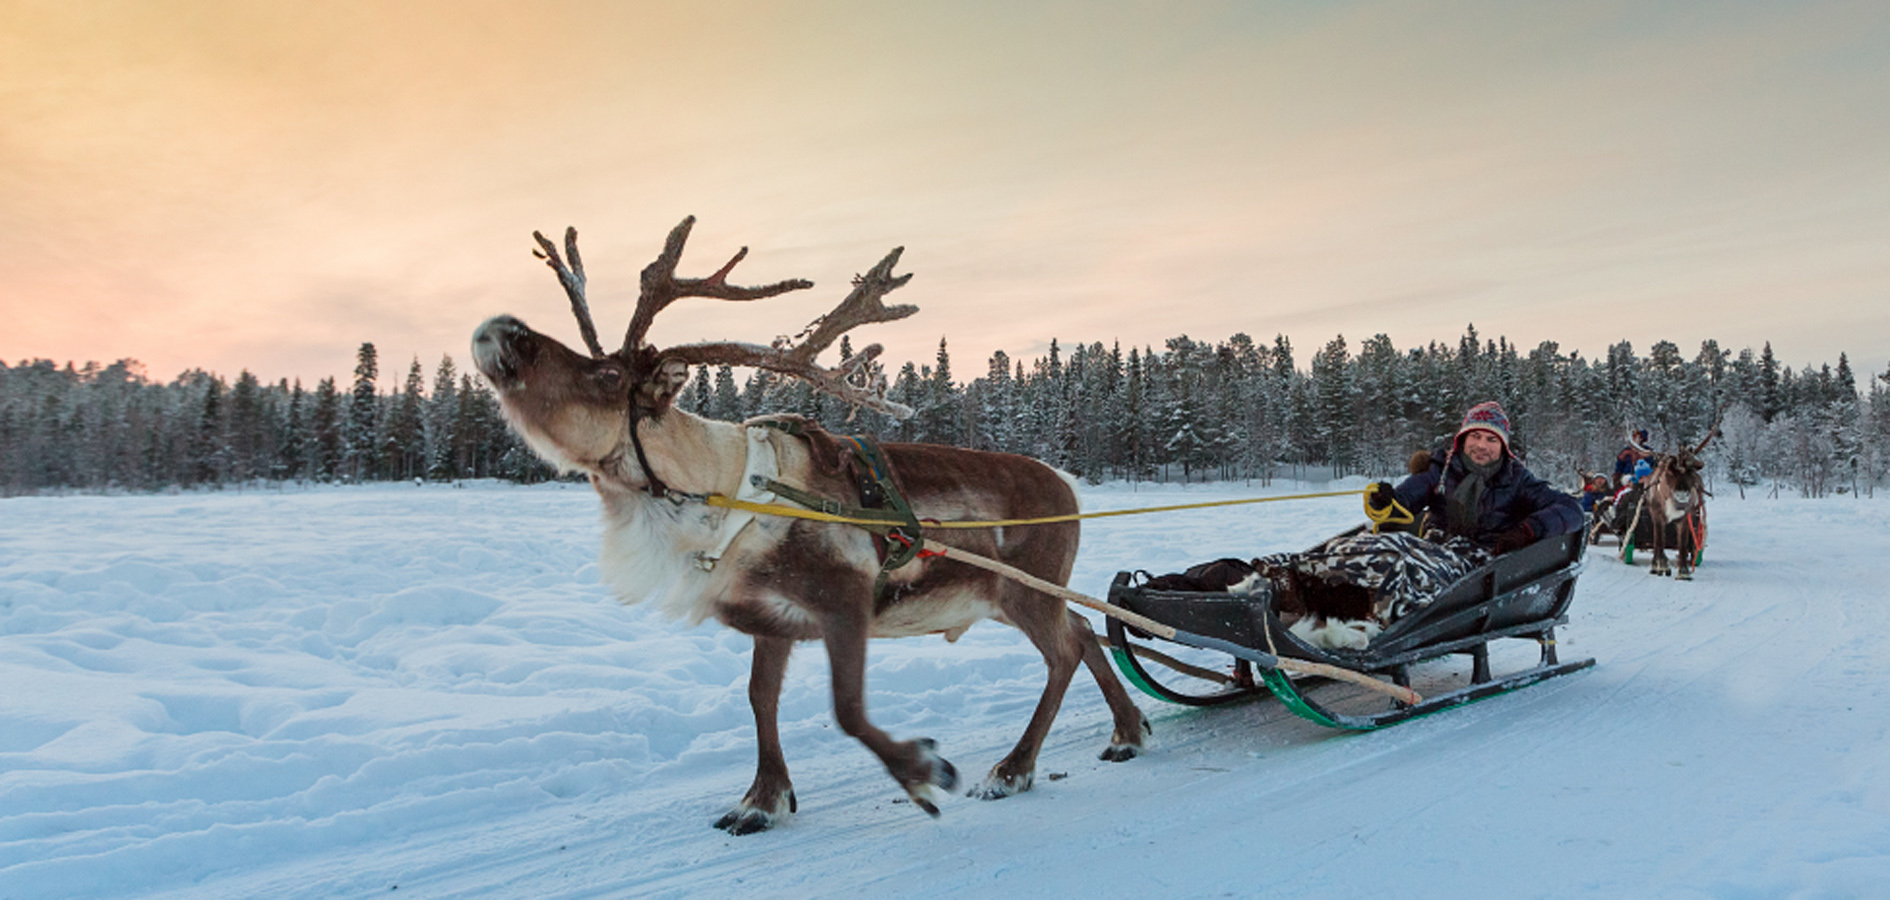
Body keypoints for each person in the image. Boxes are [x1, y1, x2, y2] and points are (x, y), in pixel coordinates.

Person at [1366, 401, 1583, 556]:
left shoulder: (1516, 479)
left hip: (1483, 563)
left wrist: (1527, 530)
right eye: (1475, 436)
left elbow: (1571, 509)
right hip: (1433, 550)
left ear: (1503, 447)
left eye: (1491, 439)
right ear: (1462, 440)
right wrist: (1382, 500)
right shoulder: (1441, 471)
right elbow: (1401, 503)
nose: (1481, 446)